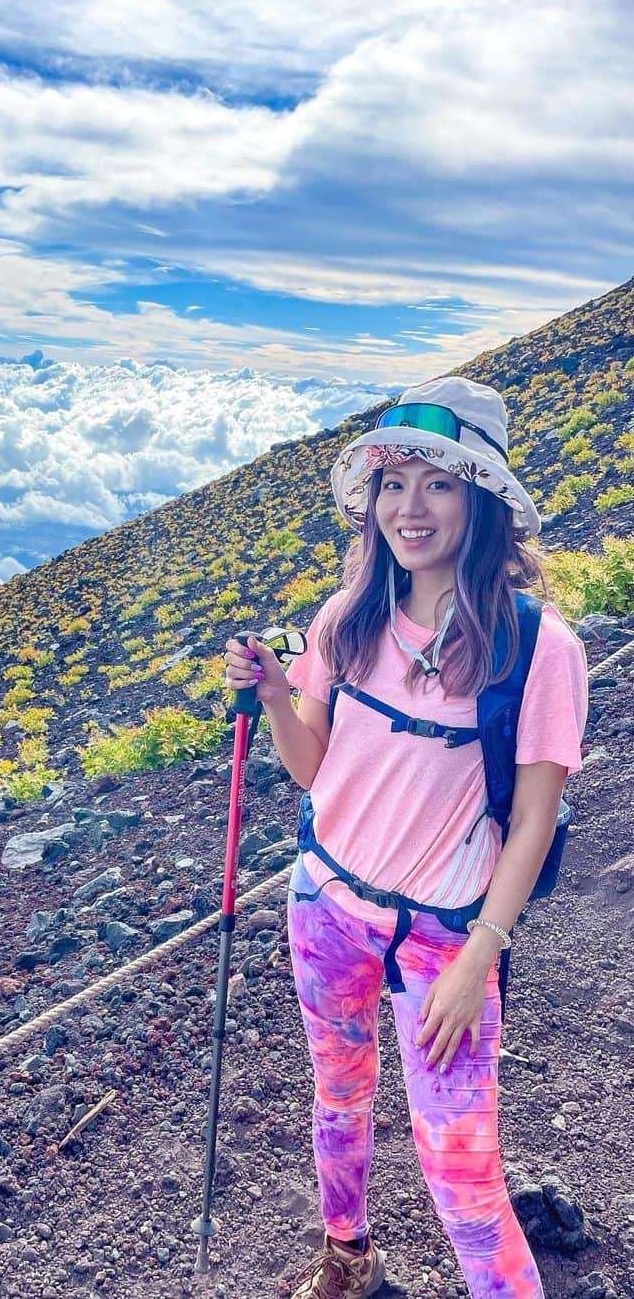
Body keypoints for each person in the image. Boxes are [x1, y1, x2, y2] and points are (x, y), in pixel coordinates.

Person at [223, 376, 589, 1299]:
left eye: (438, 484)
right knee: (338, 1100)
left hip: (445, 937)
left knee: (462, 1171)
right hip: (326, 905)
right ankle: (346, 1258)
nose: (408, 508)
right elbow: (313, 768)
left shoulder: (540, 646)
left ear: (483, 501)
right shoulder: (344, 620)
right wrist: (275, 692)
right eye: (393, 484)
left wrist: (481, 955)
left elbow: (534, 819)